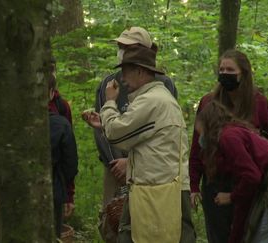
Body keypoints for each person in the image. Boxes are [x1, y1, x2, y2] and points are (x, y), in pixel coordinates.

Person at [82, 26, 195, 243]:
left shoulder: (153, 98)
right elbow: (138, 133)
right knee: (126, 232)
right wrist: (104, 125)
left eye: (126, 69)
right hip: (151, 183)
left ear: (141, 70)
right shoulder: (149, 95)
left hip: (160, 188)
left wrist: (110, 103)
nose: (122, 77)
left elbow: (118, 133)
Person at [195, 101, 268, 243]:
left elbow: (251, 178)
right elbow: (246, 195)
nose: (200, 139)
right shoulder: (233, 135)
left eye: (201, 133)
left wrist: (231, 197)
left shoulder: (228, 137)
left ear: (209, 126)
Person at [189, 50, 268, 243]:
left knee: (247, 234)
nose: (225, 73)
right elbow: (198, 146)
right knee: (219, 236)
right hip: (215, 180)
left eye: (230, 69)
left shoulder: (259, 103)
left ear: (243, 73)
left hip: (248, 181)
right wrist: (194, 184)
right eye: (221, 69)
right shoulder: (208, 102)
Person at [48, 74, 79, 238]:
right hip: (53, 190)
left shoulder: (11, 122)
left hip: (53, 191)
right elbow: (70, 165)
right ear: (51, 93)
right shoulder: (60, 125)